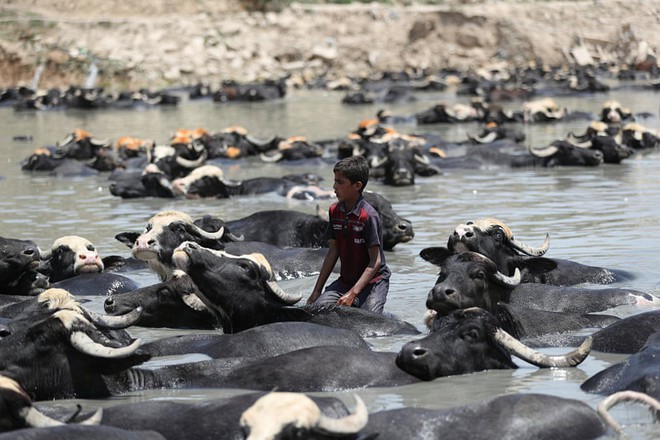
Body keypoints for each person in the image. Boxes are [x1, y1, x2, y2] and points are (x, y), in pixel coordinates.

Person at [306, 155, 391, 313]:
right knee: (316, 311)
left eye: (340, 182)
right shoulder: (334, 211)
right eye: (335, 181)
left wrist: (352, 294)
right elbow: (333, 252)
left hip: (373, 283)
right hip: (345, 282)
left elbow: (375, 261)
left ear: (357, 185)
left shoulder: (368, 216)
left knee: (368, 322)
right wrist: (316, 291)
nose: (334, 187)